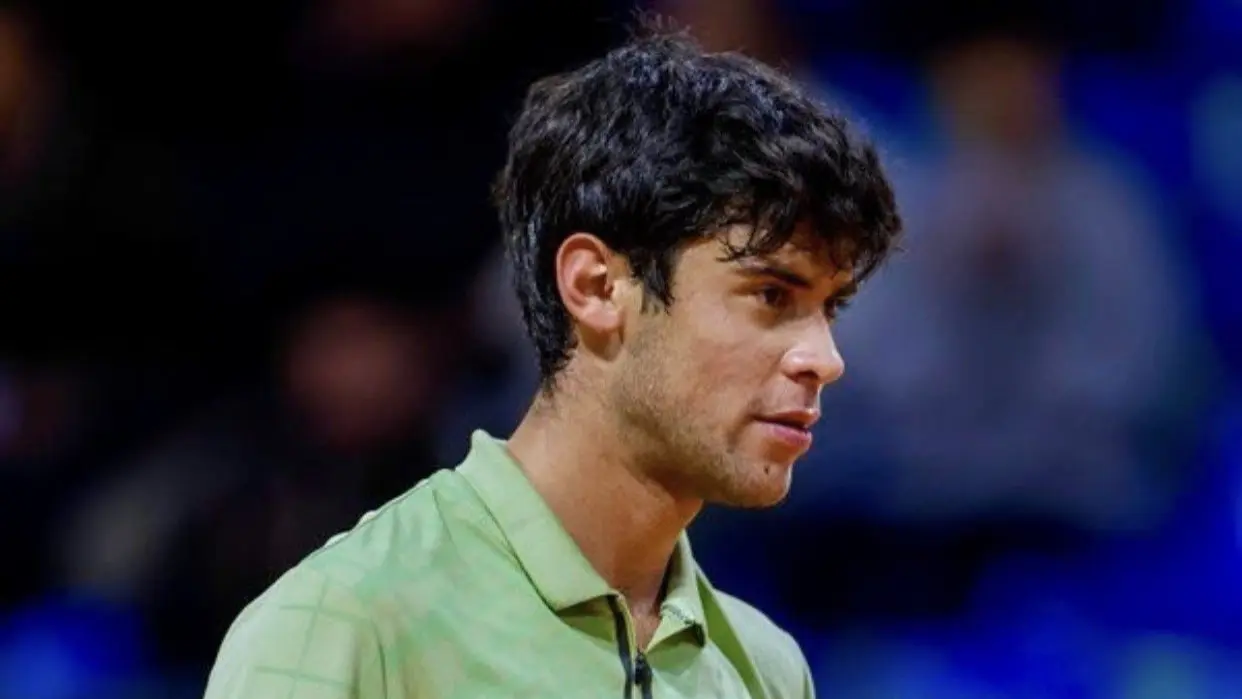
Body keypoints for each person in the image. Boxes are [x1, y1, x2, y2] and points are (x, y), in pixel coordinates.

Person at [201, 22, 901, 699]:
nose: (824, 359)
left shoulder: (768, 670)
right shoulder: (344, 624)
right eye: (772, 295)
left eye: (830, 308)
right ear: (596, 287)